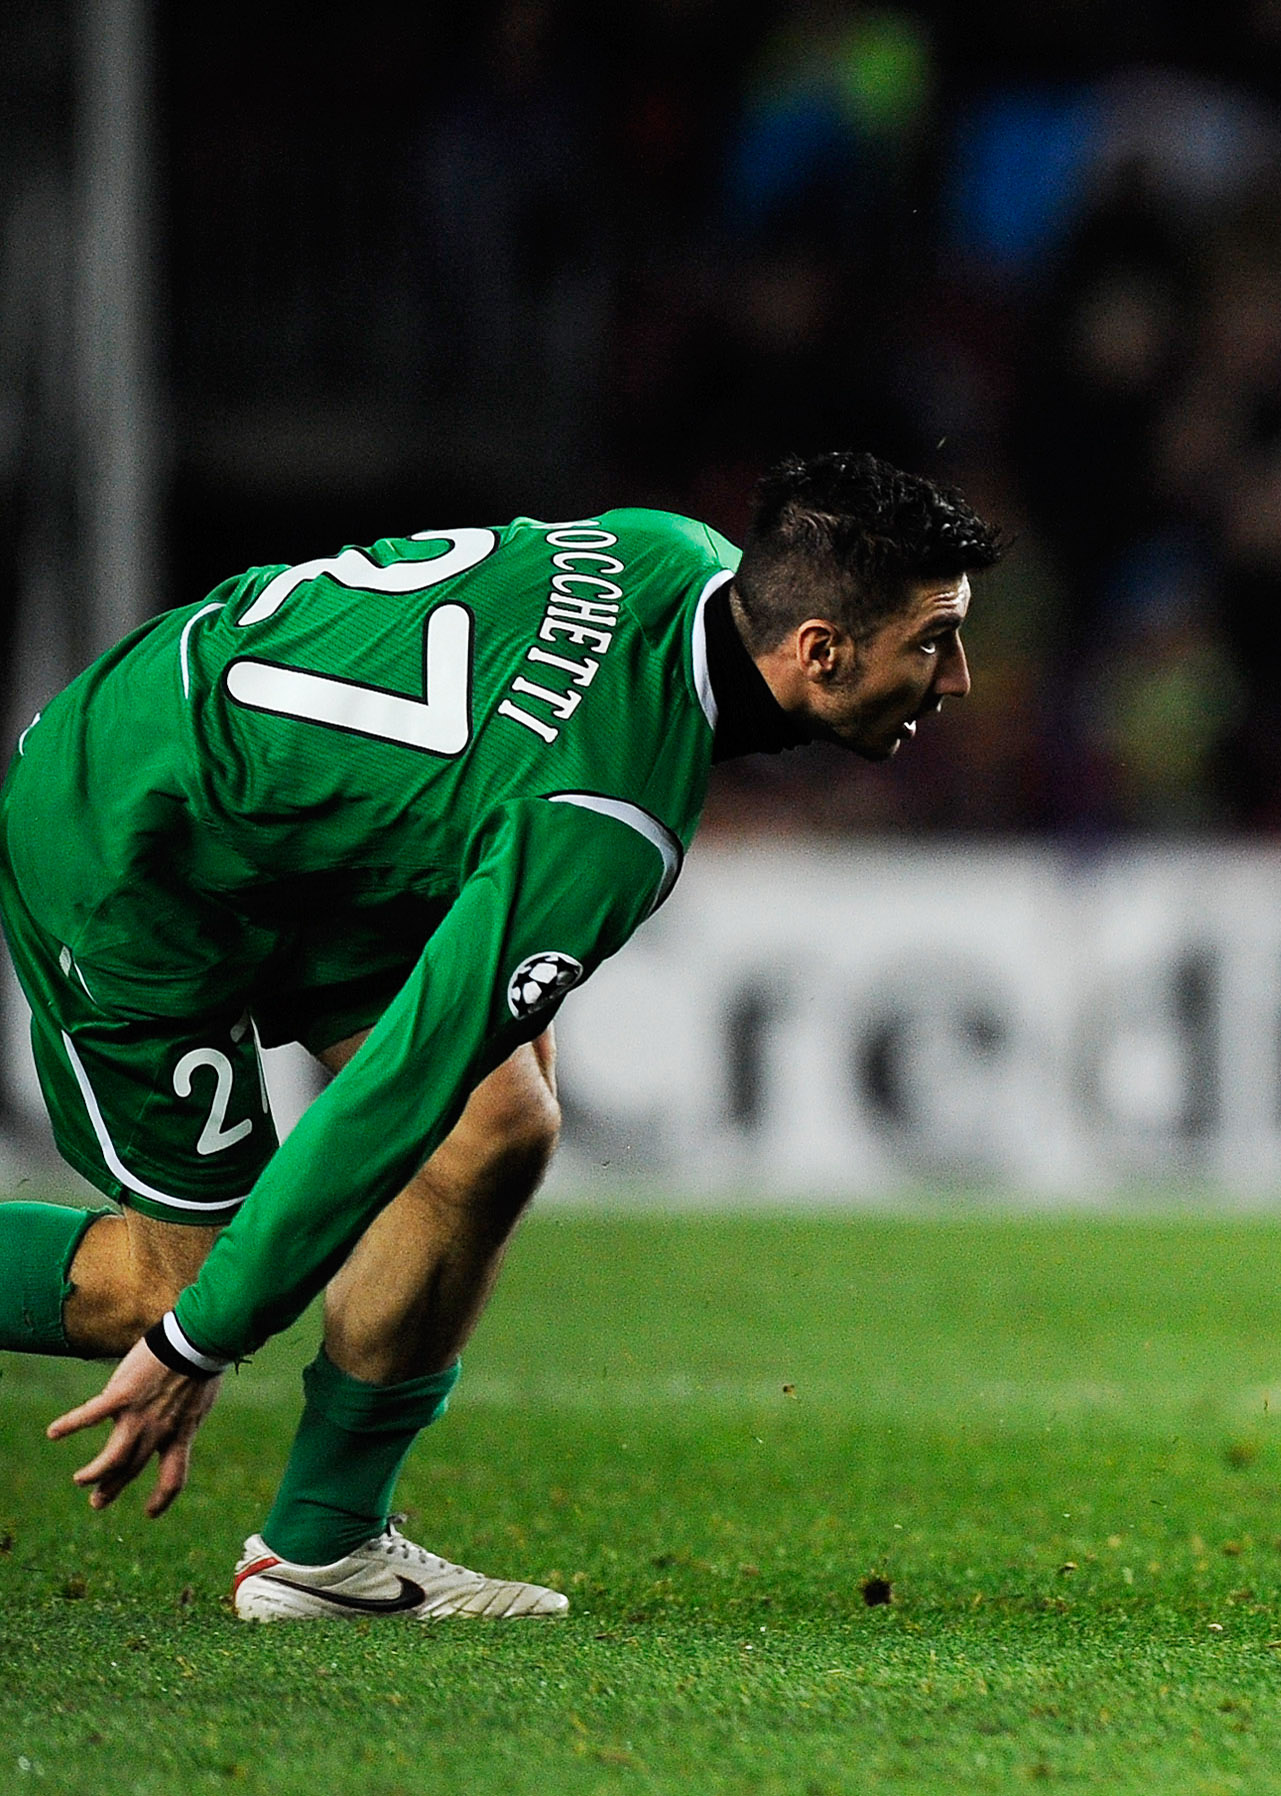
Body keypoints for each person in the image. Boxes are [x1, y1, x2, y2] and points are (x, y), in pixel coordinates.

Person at [0, 451, 1000, 1620]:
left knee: (496, 1126)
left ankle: (322, 1552)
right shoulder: (607, 818)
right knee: (169, 1286)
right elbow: (391, 1096)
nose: (961, 678)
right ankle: (284, 1478)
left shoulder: (672, 548)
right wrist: (195, 1346)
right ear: (820, 650)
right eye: (933, 641)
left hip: (285, 812)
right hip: (135, 836)